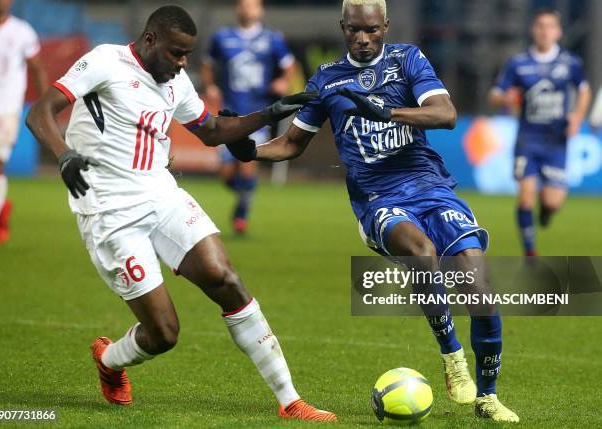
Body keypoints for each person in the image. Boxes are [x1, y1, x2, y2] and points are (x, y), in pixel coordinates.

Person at [25, 5, 335, 422]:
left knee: (225, 278)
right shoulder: (105, 61)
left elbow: (210, 132)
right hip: (110, 213)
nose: (182, 62)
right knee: (164, 334)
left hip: (162, 195)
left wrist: (269, 114)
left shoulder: (176, 81)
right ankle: (111, 359)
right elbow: (39, 112)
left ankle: (290, 400)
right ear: (150, 40)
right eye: (176, 53)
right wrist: (64, 156)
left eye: (187, 54)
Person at [227, 0, 519, 422]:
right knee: (420, 255)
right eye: (354, 31)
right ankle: (452, 356)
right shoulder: (328, 80)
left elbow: (446, 114)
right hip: (378, 197)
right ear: (342, 27)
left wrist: (386, 110)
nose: (363, 40)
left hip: (430, 185)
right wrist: (249, 150)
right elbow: (292, 144)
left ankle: (488, 397)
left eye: (372, 31)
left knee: (478, 283)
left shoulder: (408, 60)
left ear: (385, 25)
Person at [489, 8, 591, 256]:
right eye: (540, 26)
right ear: (533, 30)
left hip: (556, 142)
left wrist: (577, 116)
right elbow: (495, 94)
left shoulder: (570, 63)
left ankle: (546, 212)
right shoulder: (518, 63)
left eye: (550, 26)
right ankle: (529, 252)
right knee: (525, 198)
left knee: (552, 201)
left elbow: (584, 90)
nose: (545, 31)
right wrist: (505, 99)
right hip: (528, 140)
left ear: (558, 31)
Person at [200, 0, 296, 234]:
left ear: (260, 10)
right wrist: (210, 85)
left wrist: (283, 81)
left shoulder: (272, 38)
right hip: (229, 112)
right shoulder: (222, 37)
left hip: (258, 114)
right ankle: (245, 194)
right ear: (237, 9)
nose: (248, 9)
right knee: (226, 174)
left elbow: (290, 65)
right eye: (244, 5)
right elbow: (207, 63)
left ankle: (241, 213)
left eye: (253, 5)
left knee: (247, 163)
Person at [0, 0, 48, 245]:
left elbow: (37, 69)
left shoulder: (22, 32)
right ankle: (0, 207)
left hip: (5, 109)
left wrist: (46, 106)